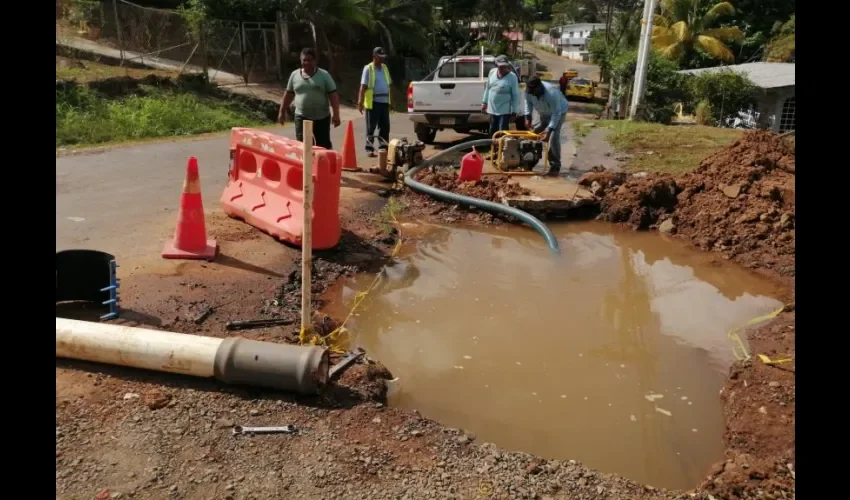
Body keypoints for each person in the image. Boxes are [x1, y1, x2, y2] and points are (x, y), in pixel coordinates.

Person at [278, 47, 341, 150]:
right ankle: (306, 166)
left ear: (315, 61)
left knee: (322, 147)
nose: (306, 63)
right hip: (301, 116)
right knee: (303, 146)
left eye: (309, 60)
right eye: (304, 60)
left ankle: (322, 165)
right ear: (300, 60)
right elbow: (288, 94)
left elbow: (333, 96)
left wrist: (336, 114)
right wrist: (282, 111)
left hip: (321, 118)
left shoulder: (324, 75)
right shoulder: (294, 75)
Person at [524, 76, 569, 176]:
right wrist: (528, 116)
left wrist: (549, 130)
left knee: (553, 137)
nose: (531, 93)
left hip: (559, 112)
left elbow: (556, 113)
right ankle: (529, 160)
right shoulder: (528, 91)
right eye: (529, 91)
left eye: (533, 91)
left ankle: (555, 165)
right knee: (533, 134)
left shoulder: (551, 93)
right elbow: (528, 102)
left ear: (539, 87)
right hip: (543, 112)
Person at [358, 47, 393, 157]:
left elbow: (389, 85)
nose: (382, 59)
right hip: (373, 102)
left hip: (384, 101)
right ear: (374, 57)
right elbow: (363, 86)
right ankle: (369, 148)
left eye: (383, 57)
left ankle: (383, 147)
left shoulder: (385, 68)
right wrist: (360, 101)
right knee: (371, 127)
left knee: (385, 126)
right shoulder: (368, 68)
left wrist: (392, 101)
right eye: (380, 57)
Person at [481, 55, 521, 138]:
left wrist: (514, 111)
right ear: (496, 65)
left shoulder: (512, 77)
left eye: (504, 66)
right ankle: (493, 149)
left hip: (504, 111)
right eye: (500, 66)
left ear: (507, 66)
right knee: (492, 130)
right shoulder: (492, 72)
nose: (502, 69)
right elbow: (488, 88)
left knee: (502, 131)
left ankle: (502, 149)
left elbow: (515, 95)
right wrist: (484, 103)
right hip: (492, 109)